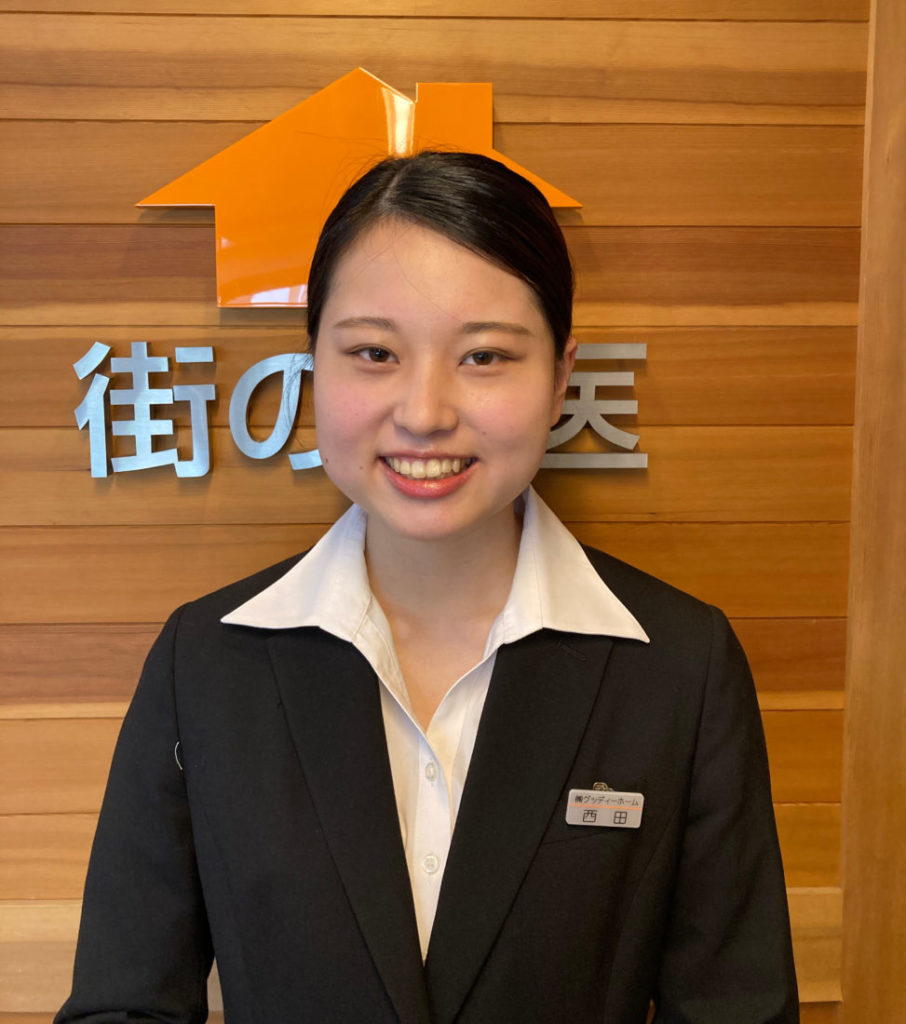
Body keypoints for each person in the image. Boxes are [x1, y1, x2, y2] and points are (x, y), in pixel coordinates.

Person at [56, 151, 798, 1023]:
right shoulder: (206, 664)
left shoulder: (679, 666)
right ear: (312, 365)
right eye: (374, 352)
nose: (424, 412)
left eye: (485, 356)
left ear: (561, 376)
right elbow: (123, 1004)